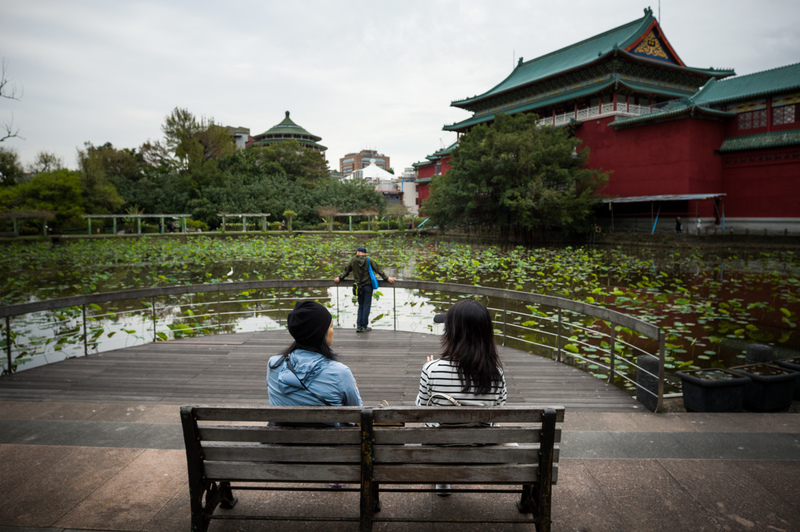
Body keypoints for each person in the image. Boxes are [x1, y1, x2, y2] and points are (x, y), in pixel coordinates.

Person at [416, 299, 507, 496]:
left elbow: (421, 409)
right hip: (480, 451)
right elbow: (499, 408)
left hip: (439, 449)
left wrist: (433, 369)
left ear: (453, 333)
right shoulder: (497, 373)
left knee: (434, 428)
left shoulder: (431, 369)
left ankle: (443, 478)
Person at [267, 301, 362, 412]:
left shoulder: (274, 364)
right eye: (331, 326)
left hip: (280, 428)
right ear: (321, 332)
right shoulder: (340, 373)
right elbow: (358, 413)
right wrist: (352, 385)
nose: (333, 331)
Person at [334, 246, 396, 332]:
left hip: (358, 287)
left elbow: (346, 271)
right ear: (365, 253)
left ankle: (359, 326)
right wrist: (387, 278)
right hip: (367, 286)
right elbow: (378, 270)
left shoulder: (353, 260)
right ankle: (364, 326)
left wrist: (339, 278)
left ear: (358, 252)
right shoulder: (369, 260)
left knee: (361, 306)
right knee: (366, 306)